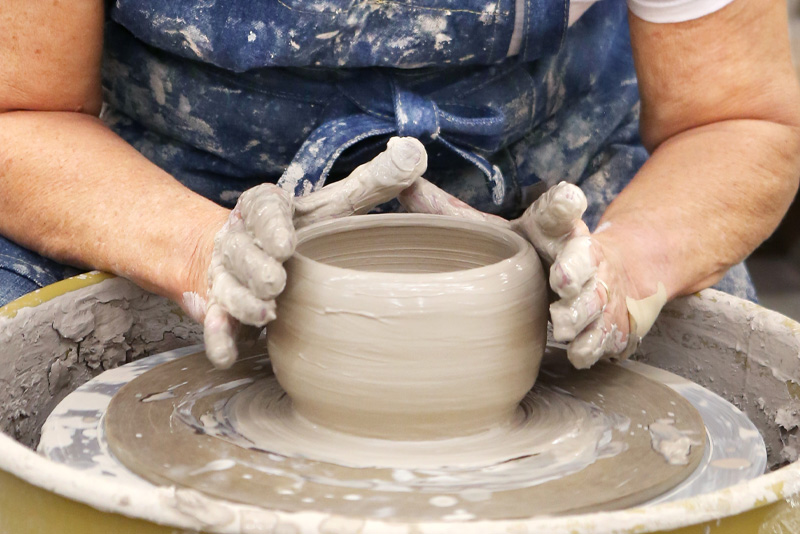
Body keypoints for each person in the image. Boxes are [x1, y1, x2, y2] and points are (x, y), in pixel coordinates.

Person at [1, 0, 798, 370]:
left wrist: (632, 264)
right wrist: (195, 248)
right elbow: (19, 110)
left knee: (717, 396)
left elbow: (734, 117)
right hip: (168, 188)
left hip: (562, 202)